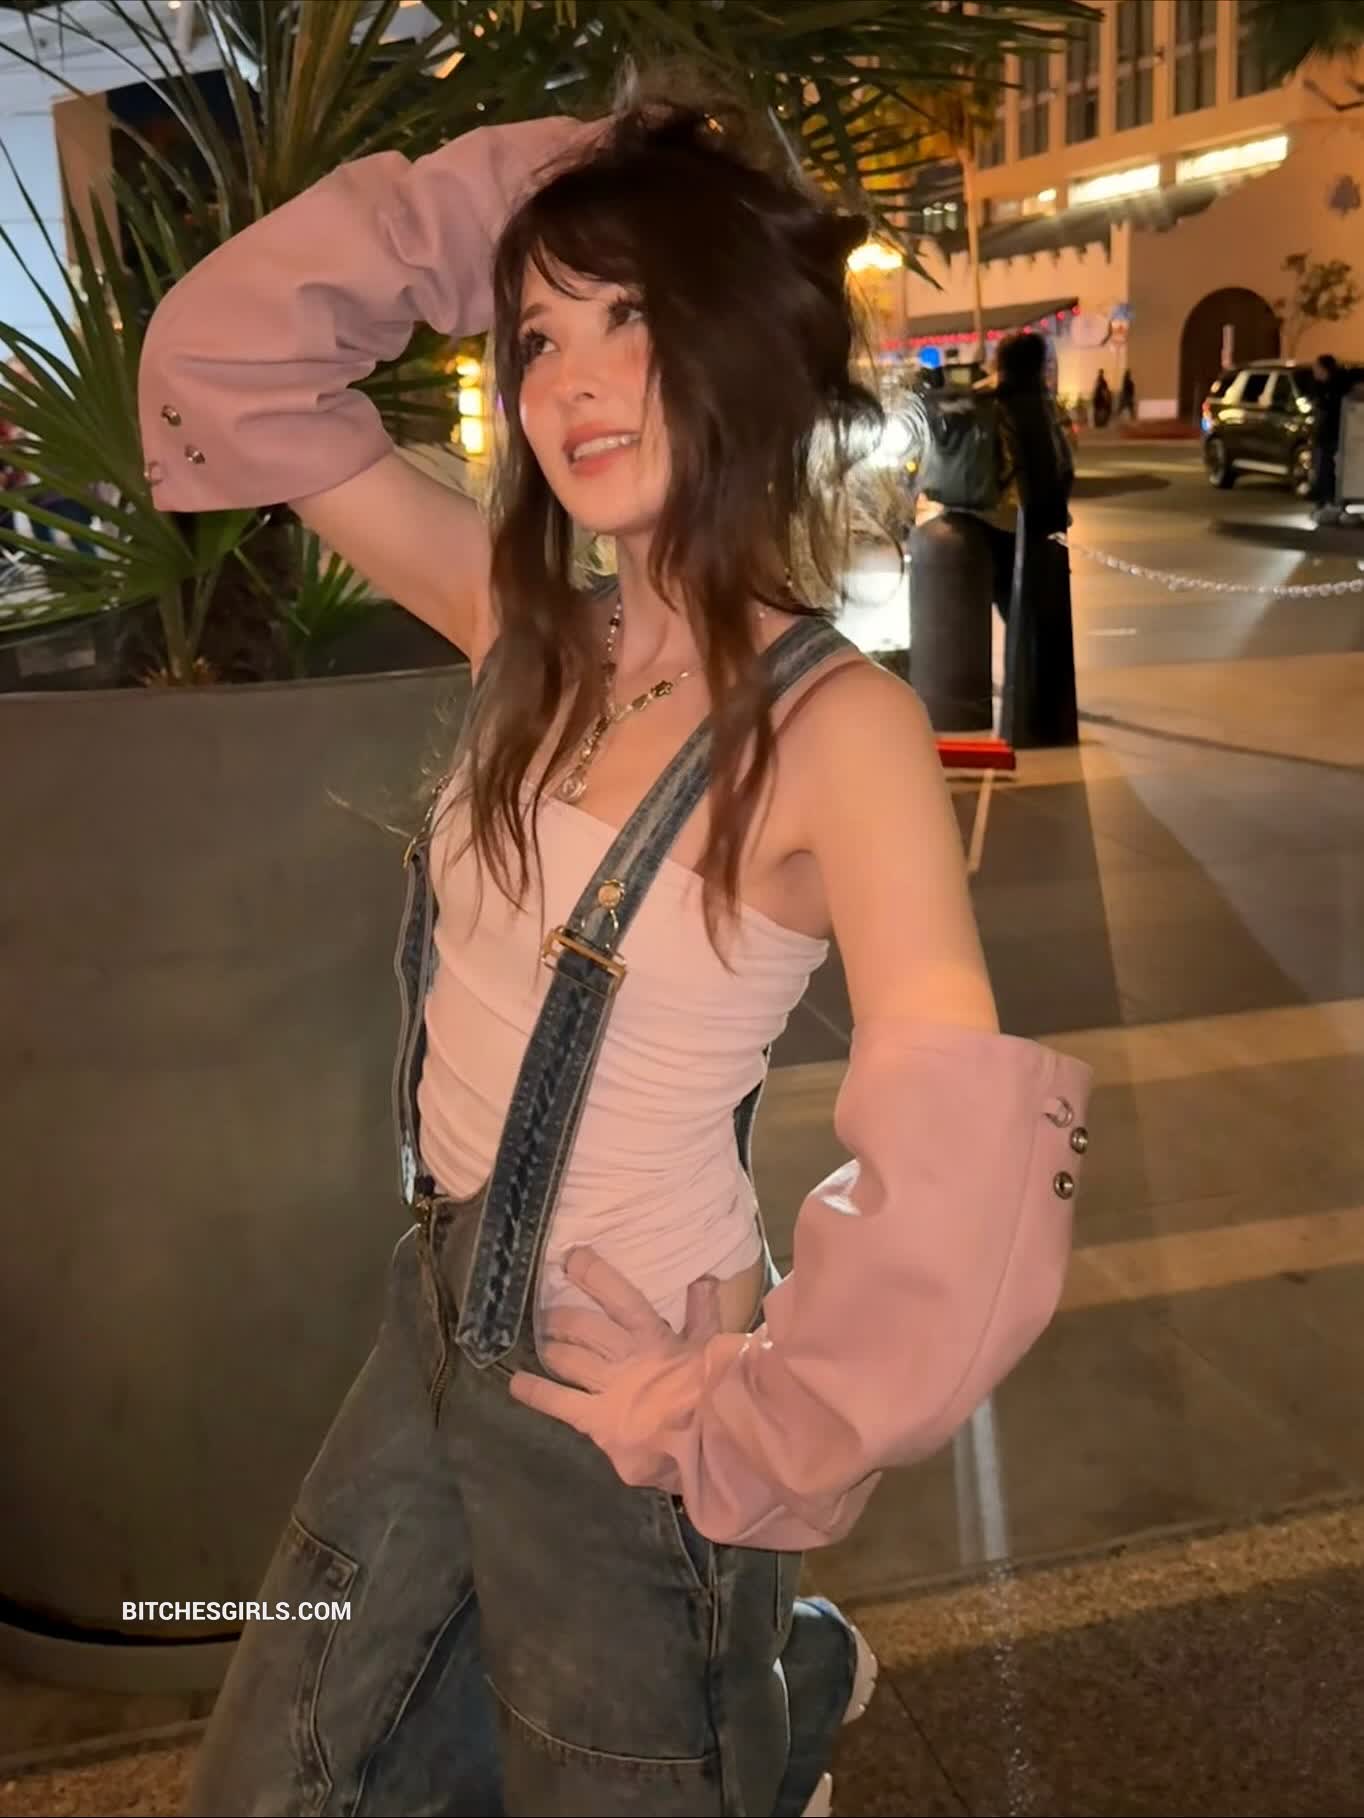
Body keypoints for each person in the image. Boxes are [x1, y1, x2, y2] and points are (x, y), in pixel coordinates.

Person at [138, 97, 1092, 1818]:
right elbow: (223, 363)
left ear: (736, 335)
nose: (569, 382)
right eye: (536, 336)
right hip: (434, 1319)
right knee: (270, 1782)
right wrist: (556, 182)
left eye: (630, 315)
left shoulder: (838, 728)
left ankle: (756, 1683)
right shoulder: (535, 636)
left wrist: (755, 1414)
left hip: (621, 1393)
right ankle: (780, 1679)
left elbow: (964, 1176)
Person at [1310, 352, 1346, 523]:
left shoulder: (1335, 389)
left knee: (1327, 470)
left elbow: (1328, 413)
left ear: (1324, 369)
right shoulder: (1320, 388)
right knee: (1322, 469)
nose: (1314, 371)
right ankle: (1324, 502)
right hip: (1324, 438)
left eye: (1316, 367)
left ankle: (1329, 502)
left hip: (1331, 437)